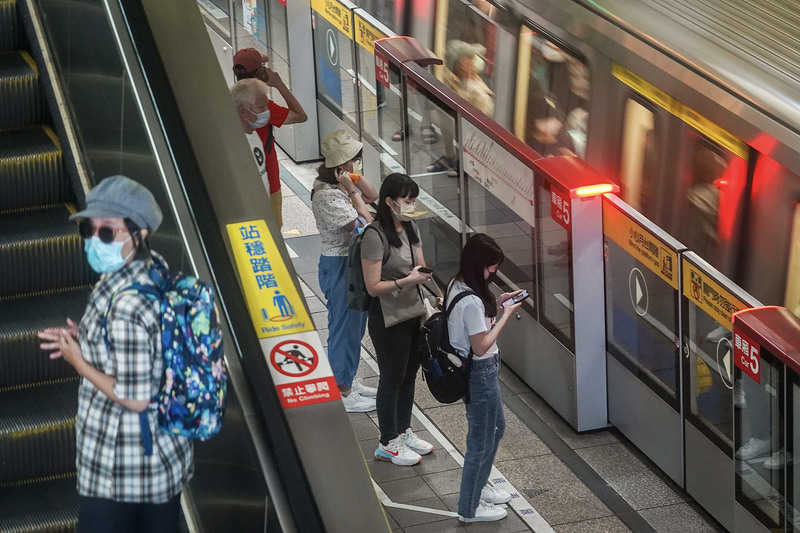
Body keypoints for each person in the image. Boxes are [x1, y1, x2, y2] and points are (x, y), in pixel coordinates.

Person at [38, 176, 191, 533]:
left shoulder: (129, 301)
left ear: (139, 234)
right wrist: (87, 338)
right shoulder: (147, 269)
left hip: (121, 468)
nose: (94, 240)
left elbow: (136, 398)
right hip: (158, 457)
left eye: (107, 233)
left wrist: (79, 361)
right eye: (88, 230)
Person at [446, 233, 523, 522]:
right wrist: (506, 314)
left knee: (496, 429)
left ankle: (480, 487)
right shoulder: (471, 302)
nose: (493, 272)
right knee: (481, 439)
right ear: (480, 264)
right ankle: (469, 508)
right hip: (480, 373)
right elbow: (480, 345)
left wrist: (499, 302)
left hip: (481, 371)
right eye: (491, 267)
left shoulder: (460, 284)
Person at [362, 173, 434, 466]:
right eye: (407, 200)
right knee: (391, 378)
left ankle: (404, 430)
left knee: (409, 374)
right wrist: (407, 280)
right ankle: (386, 442)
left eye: (414, 200)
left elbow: (421, 266)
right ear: (389, 201)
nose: (411, 205)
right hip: (388, 316)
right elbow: (373, 286)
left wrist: (432, 291)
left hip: (414, 312)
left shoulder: (410, 226)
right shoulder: (374, 236)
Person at [311, 130, 379, 412]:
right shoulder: (326, 195)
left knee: (355, 327)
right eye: (353, 160)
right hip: (339, 266)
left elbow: (373, 195)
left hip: (351, 264)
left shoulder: (339, 182)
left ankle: (348, 378)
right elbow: (366, 223)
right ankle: (342, 389)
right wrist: (352, 190)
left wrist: (354, 179)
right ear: (340, 164)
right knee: (343, 328)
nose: (356, 164)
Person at [230, 67, 307, 228]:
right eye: (262, 107)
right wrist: (279, 84)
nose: (266, 111)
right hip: (262, 194)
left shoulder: (250, 130)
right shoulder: (237, 142)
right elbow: (301, 116)